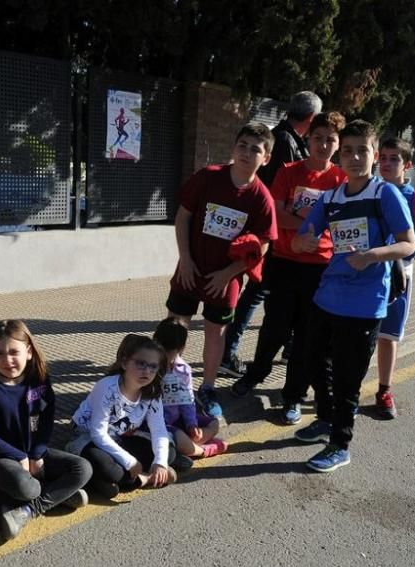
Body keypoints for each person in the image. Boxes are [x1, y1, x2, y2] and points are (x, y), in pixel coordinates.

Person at [291, 120, 415, 472]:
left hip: (365, 303)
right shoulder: (330, 197)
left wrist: (372, 256)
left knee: (348, 377)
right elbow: (301, 238)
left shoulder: (384, 194)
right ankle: (326, 420)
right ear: (340, 155)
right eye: (347, 150)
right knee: (311, 361)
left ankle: (340, 444)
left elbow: (410, 243)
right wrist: (306, 241)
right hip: (327, 295)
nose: (354, 157)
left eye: (362, 150)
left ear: (374, 155)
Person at [231, 112, 347, 425]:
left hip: (320, 269)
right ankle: (255, 375)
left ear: (337, 145)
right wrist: (308, 230)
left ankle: (293, 396)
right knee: (274, 328)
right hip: (283, 263)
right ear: (308, 139)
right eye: (318, 137)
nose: (323, 144)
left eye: (330, 140)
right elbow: (277, 215)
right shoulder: (288, 172)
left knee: (306, 338)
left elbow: (342, 224)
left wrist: (313, 235)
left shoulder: (340, 179)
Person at [166, 122, 277, 418]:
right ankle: (166, 379)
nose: (246, 152)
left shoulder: (261, 198)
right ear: (233, 147)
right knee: (176, 325)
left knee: (216, 334)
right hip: (190, 269)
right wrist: (185, 259)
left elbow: (263, 245)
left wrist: (229, 273)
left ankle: (208, 388)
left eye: (255, 149)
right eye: (242, 145)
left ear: (265, 158)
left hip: (225, 279)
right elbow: (183, 218)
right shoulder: (208, 177)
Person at [221, 91, 323, 377]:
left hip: (273, 233)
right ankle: (227, 352)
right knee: (257, 291)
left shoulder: (282, 138)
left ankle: (287, 344)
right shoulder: (286, 144)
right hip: (272, 235)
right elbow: (279, 197)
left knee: (270, 293)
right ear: (312, 119)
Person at [0, 320, 92, 540]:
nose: (7, 360)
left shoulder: (39, 380)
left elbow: (47, 419)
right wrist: (19, 456)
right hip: (1, 459)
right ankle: (58, 495)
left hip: (35, 453)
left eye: (13, 352)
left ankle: (27, 510)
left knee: (83, 468)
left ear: (28, 352)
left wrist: (36, 453)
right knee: (27, 488)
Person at [67, 335, 177, 499]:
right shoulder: (107, 387)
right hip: (88, 437)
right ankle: (141, 479)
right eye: (140, 363)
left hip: (119, 438)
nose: (147, 371)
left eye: (153, 367)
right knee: (107, 467)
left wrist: (160, 462)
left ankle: (113, 481)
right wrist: (129, 461)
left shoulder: (152, 392)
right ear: (125, 363)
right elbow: (98, 434)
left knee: (170, 452)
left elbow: (159, 429)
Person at [374, 137, 415, 419]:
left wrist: (407, 248)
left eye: (394, 159)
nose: (386, 163)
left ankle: (384, 390)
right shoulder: (367, 191)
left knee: (388, 336)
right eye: (383, 157)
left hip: (398, 277)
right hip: (365, 273)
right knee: (358, 335)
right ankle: (343, 387)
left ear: (407, 164)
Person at [152, 317, 228, 468]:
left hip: (178, 419)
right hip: (158, 423)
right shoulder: (150, 367)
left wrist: (191, 424)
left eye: (170, 353)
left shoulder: (183, 370)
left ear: (181, 349)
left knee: (214, 423)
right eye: (162, 351)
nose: (165, 357)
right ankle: (201, 450)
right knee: (178, 437)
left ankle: (189, 445)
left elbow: (187, 401)